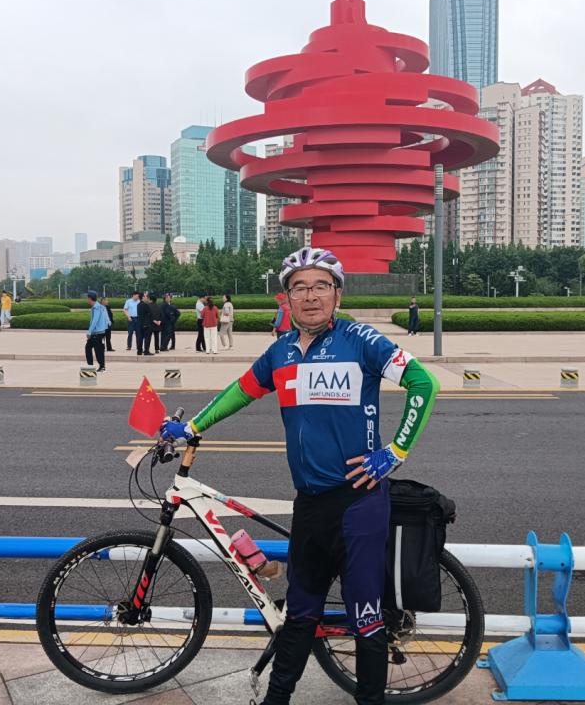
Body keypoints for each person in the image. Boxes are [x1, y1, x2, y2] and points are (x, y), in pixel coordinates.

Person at [161, 246, 440, 705]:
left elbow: (423, 384)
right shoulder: (281, 352)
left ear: (337, 294)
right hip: (309, 504)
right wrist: (192, 426)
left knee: (366, 619)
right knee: (300, 615)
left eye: (321, 286)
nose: (310, 296)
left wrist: (394, 452)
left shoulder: (361, 340)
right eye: (299, 288)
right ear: (286, 298)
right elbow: (240, 392)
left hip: (359, 502)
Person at [85, 290, 109, 372]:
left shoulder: (97, 307)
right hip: (98, 332)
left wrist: (89, 332)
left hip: (97, 333)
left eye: (87, 298)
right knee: (90, 348)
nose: (87, 300)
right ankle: (93, 366)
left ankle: (101, 367)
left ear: (90, 298)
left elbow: (95, 320)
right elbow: (105, 318)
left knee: (98, 350)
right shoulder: (99, 306)